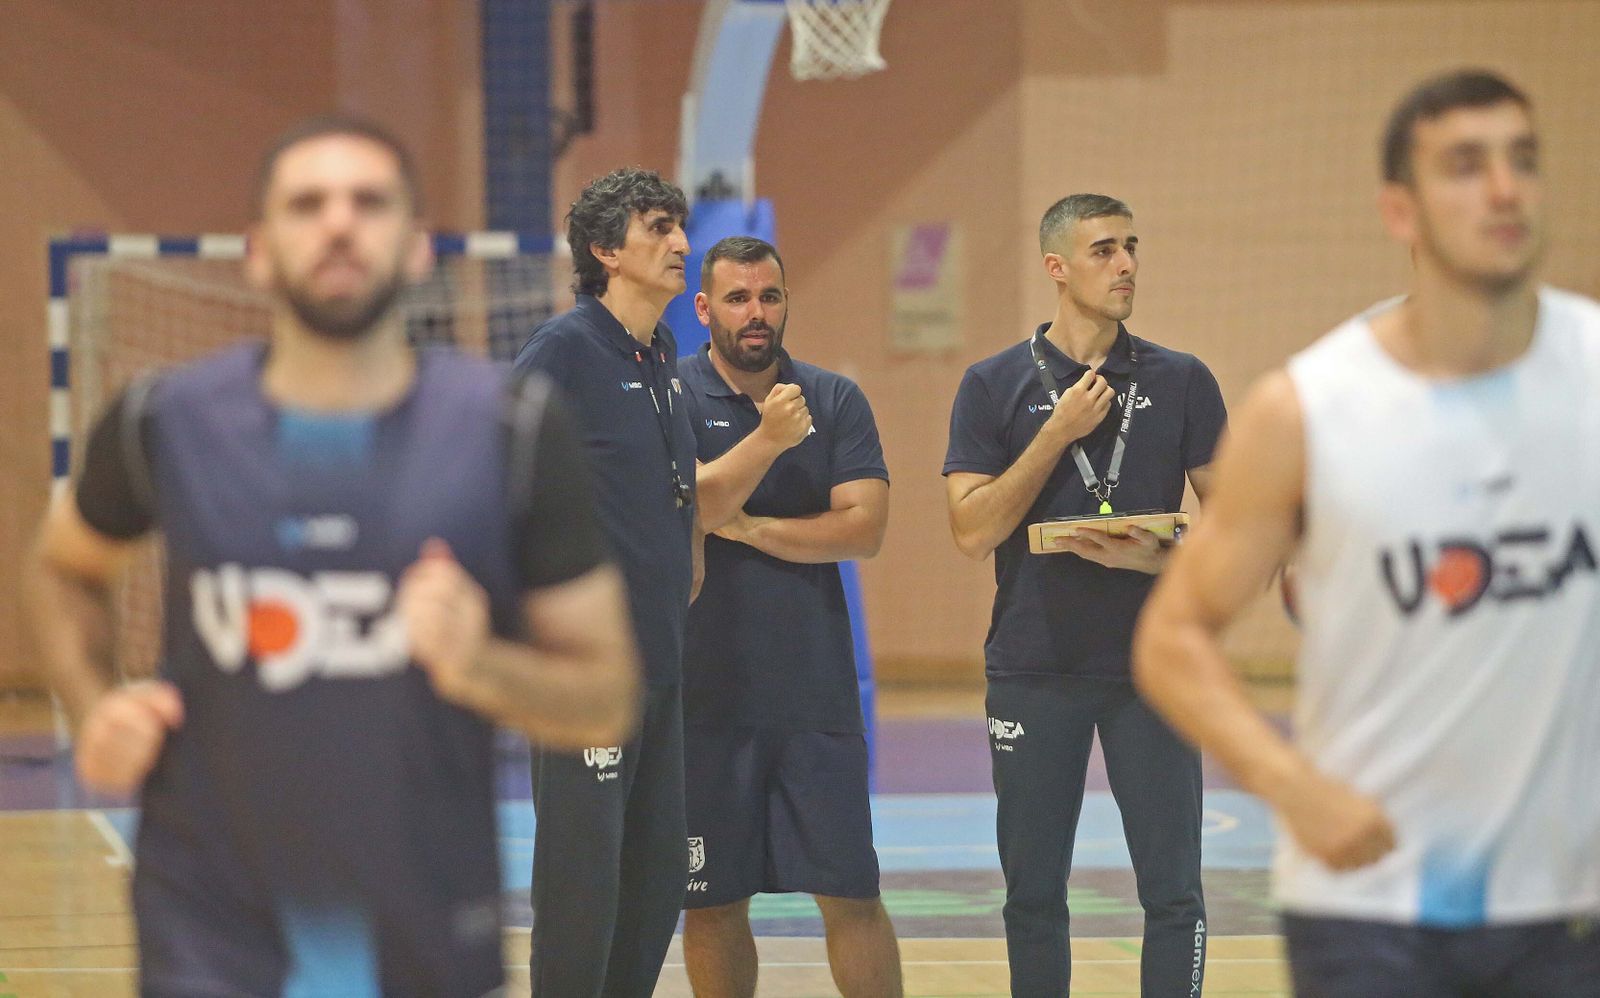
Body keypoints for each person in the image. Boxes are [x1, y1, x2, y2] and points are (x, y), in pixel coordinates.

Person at [21, 114, 639, 998]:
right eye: (307, 204)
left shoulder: (512, 430)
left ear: (419, 248)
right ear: (259, 252)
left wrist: (482, 666)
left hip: (428, 936)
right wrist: (92, 707)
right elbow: (62, 567)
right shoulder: (167, 422)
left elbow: (607, 699)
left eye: (369, 202)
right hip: (210, 936)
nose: (339, 224)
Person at [1133, 69, 1600, 997]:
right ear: (1401, 209)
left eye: (1523, 160)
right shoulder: (1308, 410)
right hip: (1369, 907)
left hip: (1569, 902)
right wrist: (1290, 784)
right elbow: (1173, 638)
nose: (1503, 189)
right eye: (1466, 165)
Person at [944, 194, 1225, 996]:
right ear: (1056, 268)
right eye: (1105, 250)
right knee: (1033, 896)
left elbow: (1238, 532)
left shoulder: (1180, 379)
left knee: (1174, 893)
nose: (1127, 264)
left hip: (1156, 672)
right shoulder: (991, 384)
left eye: (1132, 246)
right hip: (1034, 668)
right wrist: (1055, 434)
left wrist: (1157, 554)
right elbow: (970, 531)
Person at [675, 236, 900, 997]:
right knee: (709, 904)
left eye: (769, 296)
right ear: (704, 308)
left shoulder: (833, 400)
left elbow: (863, 529)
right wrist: (769, 447)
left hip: (815, 697)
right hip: (702, 700)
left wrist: (752, 530)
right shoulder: (672, 398)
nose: (756, 313)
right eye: (737, 298)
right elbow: (688, 509)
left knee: (852, 895)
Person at [512, 167, 701, 998]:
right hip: (582, 674)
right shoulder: (563, 351)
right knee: (581, 885)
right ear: (604, 250)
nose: (680, 244)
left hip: (662, 666)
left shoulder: (661, 354)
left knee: (657, 878)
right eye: (658, 228)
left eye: (679, 227)